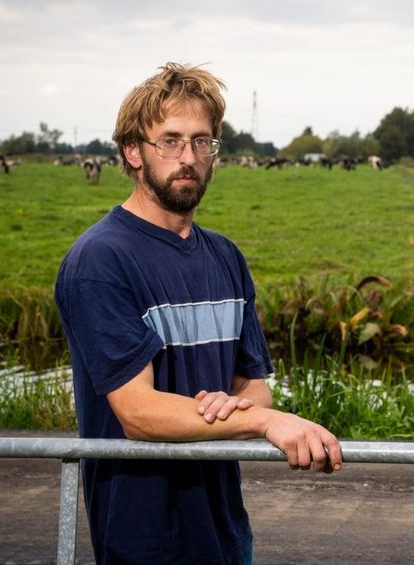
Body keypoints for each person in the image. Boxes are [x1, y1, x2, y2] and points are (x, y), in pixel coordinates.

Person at [55, 62, 343, 565]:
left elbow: (252, 386)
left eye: (201, 141)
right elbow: (138, 412)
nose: (187, 157)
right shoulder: (100, 260)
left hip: (227, 532)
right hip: (144, 538)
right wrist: (262, 423)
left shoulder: (225, 257)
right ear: (132, 152)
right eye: (169, 140)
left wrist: (240, 408)